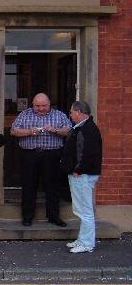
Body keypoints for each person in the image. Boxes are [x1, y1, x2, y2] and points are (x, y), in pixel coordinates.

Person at [10, 93, 72, 227]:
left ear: (49, 104)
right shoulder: (25, 114)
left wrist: (54, 130)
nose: (41, 108)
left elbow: (69, 131)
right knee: (28, 186)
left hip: (52, 155)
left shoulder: (59, 115)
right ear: (33, 104)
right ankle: (27, 217)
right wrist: (29, 132)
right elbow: (13, 131)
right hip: (29, 154)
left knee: (52, 186)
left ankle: (54, 216)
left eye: (44, 106)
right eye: (37, 106)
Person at [61, 101, 102, 254]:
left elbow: (88, 153)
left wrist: (79, 170)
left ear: (79, 112)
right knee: (81, 209)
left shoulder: (87, 129)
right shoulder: (83, 128)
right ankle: (82, 239)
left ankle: (87, 243)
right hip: (80, 174)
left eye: (71, 112)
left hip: (83, 175)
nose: (70, 115)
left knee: (85, 210)